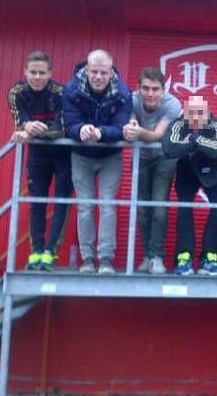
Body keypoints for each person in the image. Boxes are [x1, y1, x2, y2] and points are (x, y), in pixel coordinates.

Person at [63, 49, 132, 275]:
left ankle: (105, 260)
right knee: (85, 207)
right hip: (81, 155)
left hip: (110, 155)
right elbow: (68, 125)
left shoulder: (123, 93)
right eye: (94, 72)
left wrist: (101, 133)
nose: (98, 77)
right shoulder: (71, 90)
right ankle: (87, 259)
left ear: (111, 72)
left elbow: (121, 128)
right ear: (86, 70)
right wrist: (80, 129)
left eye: (103, 72)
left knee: (107, 205)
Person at [8, 51, 72, 271]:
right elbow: (20, 120)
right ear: (25, 72)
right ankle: (36, 251)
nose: (37, 77)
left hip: (63, 154)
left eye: (42, 73)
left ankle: (50, 252)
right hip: (37, 155)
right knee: (37, 202)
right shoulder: (16, 92)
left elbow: (61, 128)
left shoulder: (60, 92)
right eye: (33, 72)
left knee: (61, 202)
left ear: (50, 73)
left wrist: (30, 130)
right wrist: (26, 126)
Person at [162, 95, 217, 276]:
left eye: (200, 113)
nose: (195, 118)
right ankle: (183, 258)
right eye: (191, 113)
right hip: (187, 168)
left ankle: (209, 258)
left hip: (214, 169)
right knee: (184, 207)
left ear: (207, 113)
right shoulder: (179, 124)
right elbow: (169, 148)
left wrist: (193, 139)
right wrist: (204, 145)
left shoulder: (216, 125)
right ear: (185, 114)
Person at [123, 67, 180, 275]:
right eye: (145, 88)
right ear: (138, 88)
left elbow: (157, 135)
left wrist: (137, 132)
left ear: (163, 90)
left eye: (155, 89)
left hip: (164, 157)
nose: (150, 93)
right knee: (142, 210)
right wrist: (129, 129)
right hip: (141, 158)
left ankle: (157, 256)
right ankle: (148, 255)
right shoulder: (131, 100)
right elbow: (129, 125)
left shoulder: (172, 104)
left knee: (158, 209)